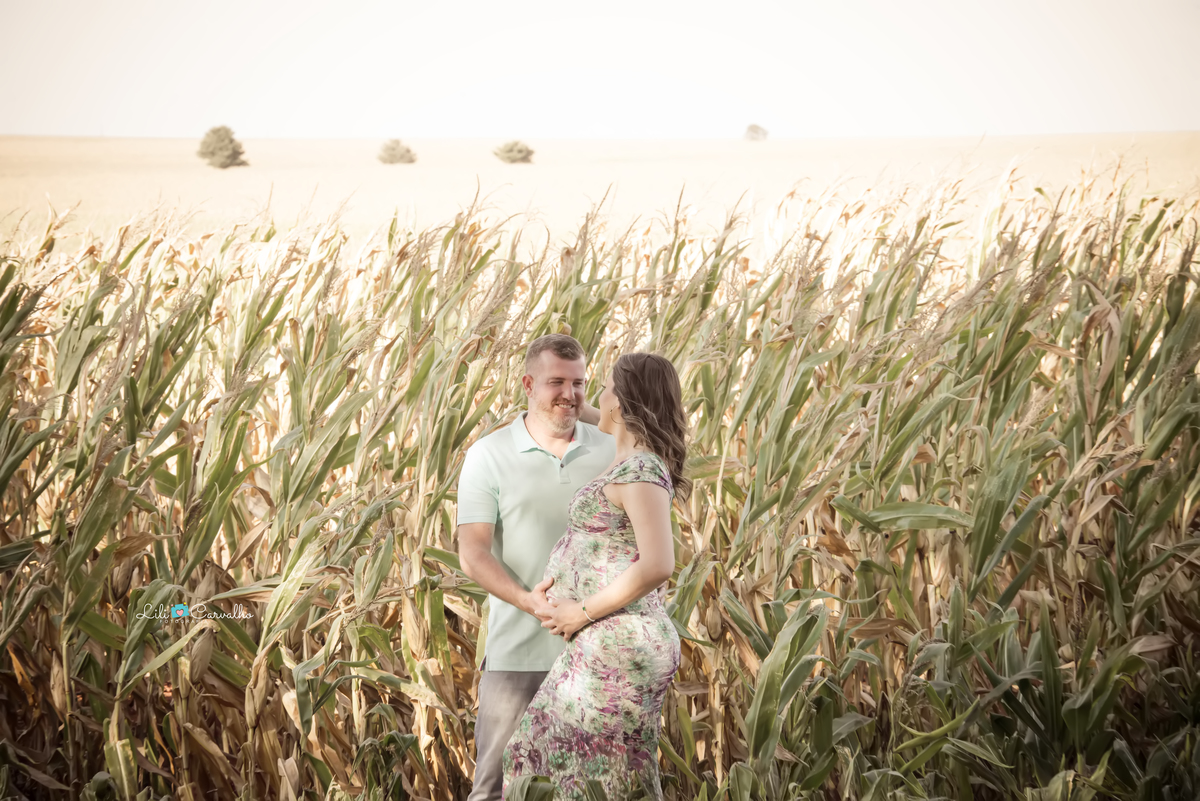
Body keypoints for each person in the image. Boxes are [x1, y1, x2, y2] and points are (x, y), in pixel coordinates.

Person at [503, 353, 690, 801]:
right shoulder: (629, 458)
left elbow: (659, 564)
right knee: (595, 774)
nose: (594, 397)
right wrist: (554, 397)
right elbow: (588, 410)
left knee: (555, 764)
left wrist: (580, 612)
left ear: (621, 405)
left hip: (618, 642)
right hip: (607, 641)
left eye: (603, 388)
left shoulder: (642, 470)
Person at [457, 334, 613, 801]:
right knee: (495, 789)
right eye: (556, 382)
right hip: (517, 656)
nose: (570, 392)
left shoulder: (611, 451)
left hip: (595, 654)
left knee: (590, 790)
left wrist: (574, 405)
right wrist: (529, 601)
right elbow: (473, 552)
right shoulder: (489, 455)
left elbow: (664, 441)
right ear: (527, 384)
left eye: (579, 383)